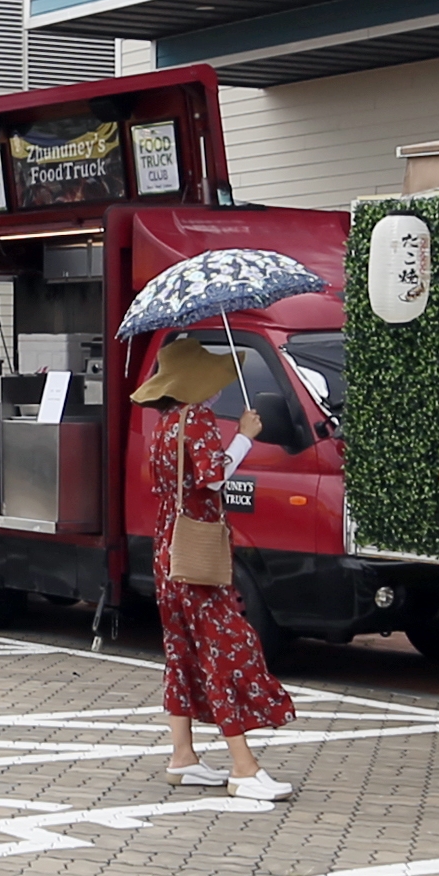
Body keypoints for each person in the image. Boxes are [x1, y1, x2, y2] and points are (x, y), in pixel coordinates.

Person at [137, 343, 295, 801]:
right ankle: (243, 766)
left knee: (181, 646)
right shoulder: (200, 421)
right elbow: (213, 477)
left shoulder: (165, 425)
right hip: (198, 552)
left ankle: (183, 755)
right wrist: (245, 436)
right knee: (225, 646)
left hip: (167, 548)